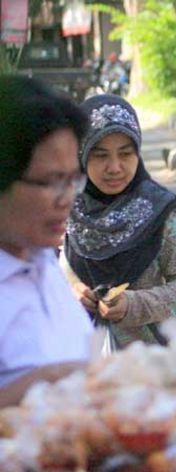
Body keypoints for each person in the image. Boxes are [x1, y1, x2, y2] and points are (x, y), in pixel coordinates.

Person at [63, 95, 176, 350]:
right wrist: (72, 290)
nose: (115, 167)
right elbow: (48, 271)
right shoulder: (65, 208)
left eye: (125, 154)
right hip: (79, 364)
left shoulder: (163, 213)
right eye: (100, 156)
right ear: (82, 155)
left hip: (153, 365)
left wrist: (133, 305)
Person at [0, 76, 92, 407]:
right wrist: (44, 383)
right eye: (52, 182)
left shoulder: (42, 261)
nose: (66, 199)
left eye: (72, 181)